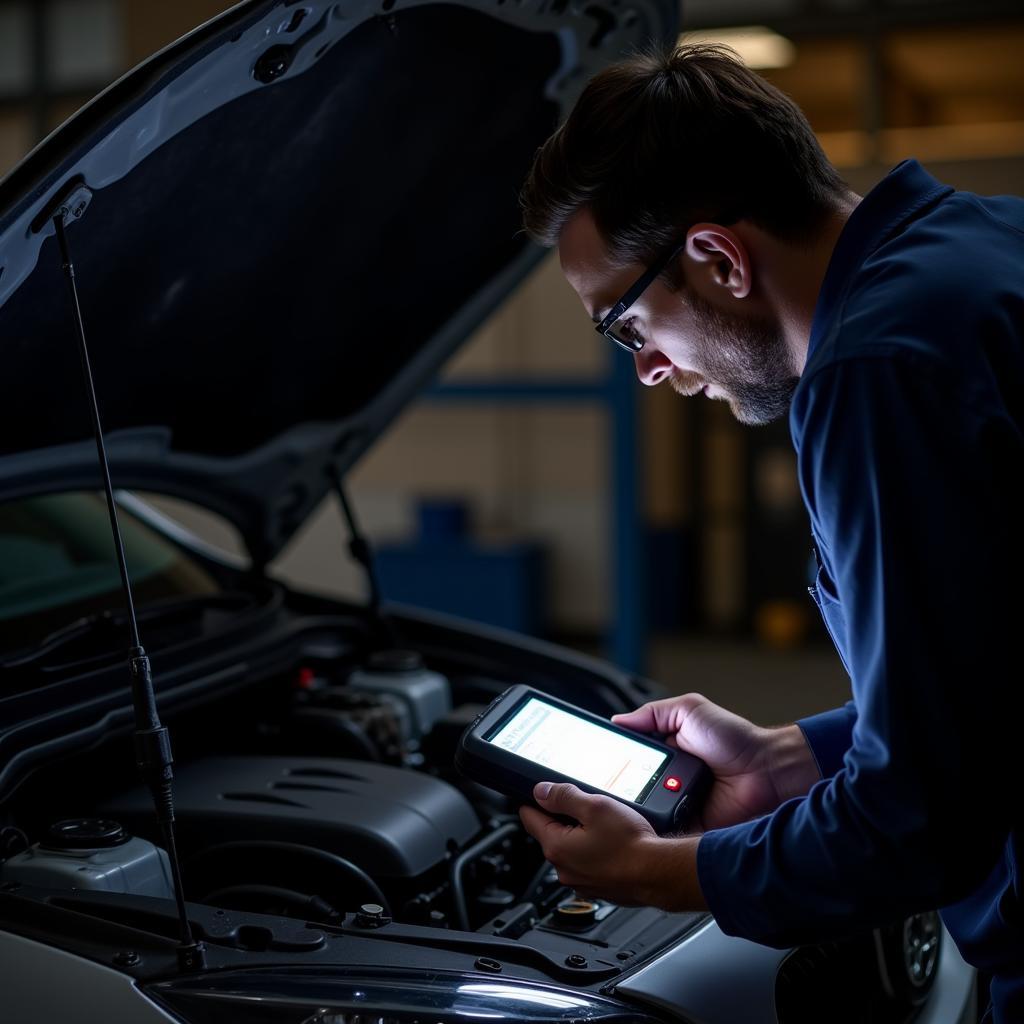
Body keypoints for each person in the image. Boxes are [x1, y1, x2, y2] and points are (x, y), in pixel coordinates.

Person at [516, 44, 1024, 1022]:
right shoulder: (978, 248)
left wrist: (667, 870)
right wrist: (793, 756)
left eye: (625, 324)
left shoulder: (876, 373)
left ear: (716, 258)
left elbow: (921, 822)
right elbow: (992, 679)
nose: (649, 369)